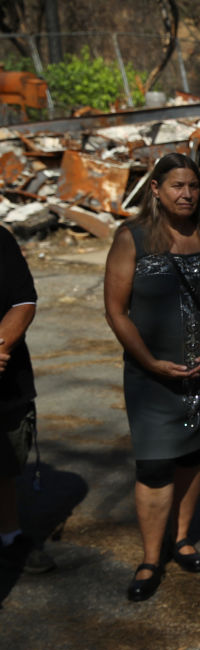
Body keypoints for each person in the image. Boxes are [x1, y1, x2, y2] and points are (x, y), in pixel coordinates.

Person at [104, 153, 200, 602]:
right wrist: (147, 361)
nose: (186, 194)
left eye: (193, 186)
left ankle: (181, 539)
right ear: (156, 191)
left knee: (192, 456)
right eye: (177, 186)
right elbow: (116, 311)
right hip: (152, 376)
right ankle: (149, 558)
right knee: (154, 464)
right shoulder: (132, 238)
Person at [0, 225, 55, 574]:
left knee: (3, 464)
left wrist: (0, 346)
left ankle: (9, 535)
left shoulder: (0, 240)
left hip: (5, 381)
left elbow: (23, 300)